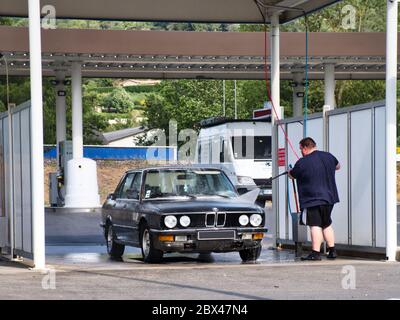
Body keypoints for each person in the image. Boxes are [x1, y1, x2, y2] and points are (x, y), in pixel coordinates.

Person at [288, 137, 340, 261]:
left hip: (312, 199)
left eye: (300, 149)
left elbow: (292, 175)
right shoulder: (329, 156)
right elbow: (338, 166)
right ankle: (332, 251)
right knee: (326, 224)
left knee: (315, 225)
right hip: (329, 197)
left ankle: (315, 253)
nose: (300, 151)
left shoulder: (302, 162)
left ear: (305, 148)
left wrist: (290, 172)